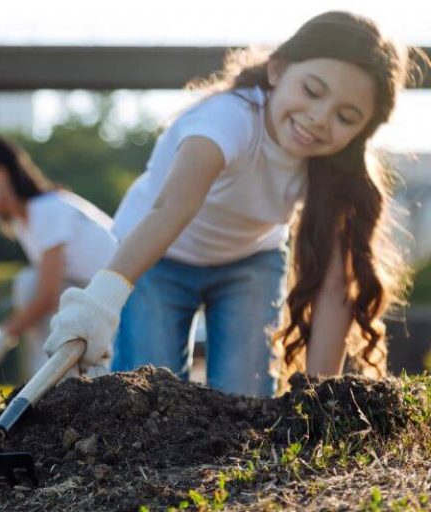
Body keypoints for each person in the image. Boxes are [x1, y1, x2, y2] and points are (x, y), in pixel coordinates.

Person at [44, 11, 423, 397]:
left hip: (248, 262)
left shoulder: (335, 169)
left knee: (246, 403)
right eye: (312, 90)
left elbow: (335, 284)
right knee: (145, 397)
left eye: (346, 116)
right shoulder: (225, 120)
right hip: (158, 257)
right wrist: (99, 303)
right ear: (278, 70)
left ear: (362, 131)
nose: (319, 118)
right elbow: (172, 209)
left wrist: (320, 399)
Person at [0, 137, 118, 377]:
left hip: (123, 299)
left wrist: (3, 334)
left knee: (28, 283)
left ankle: (48, 377)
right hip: (97, 298)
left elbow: (46, 295)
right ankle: (54, 376)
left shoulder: (46, 209)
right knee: (29, 283)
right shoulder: (24, 224)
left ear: (0, 175)